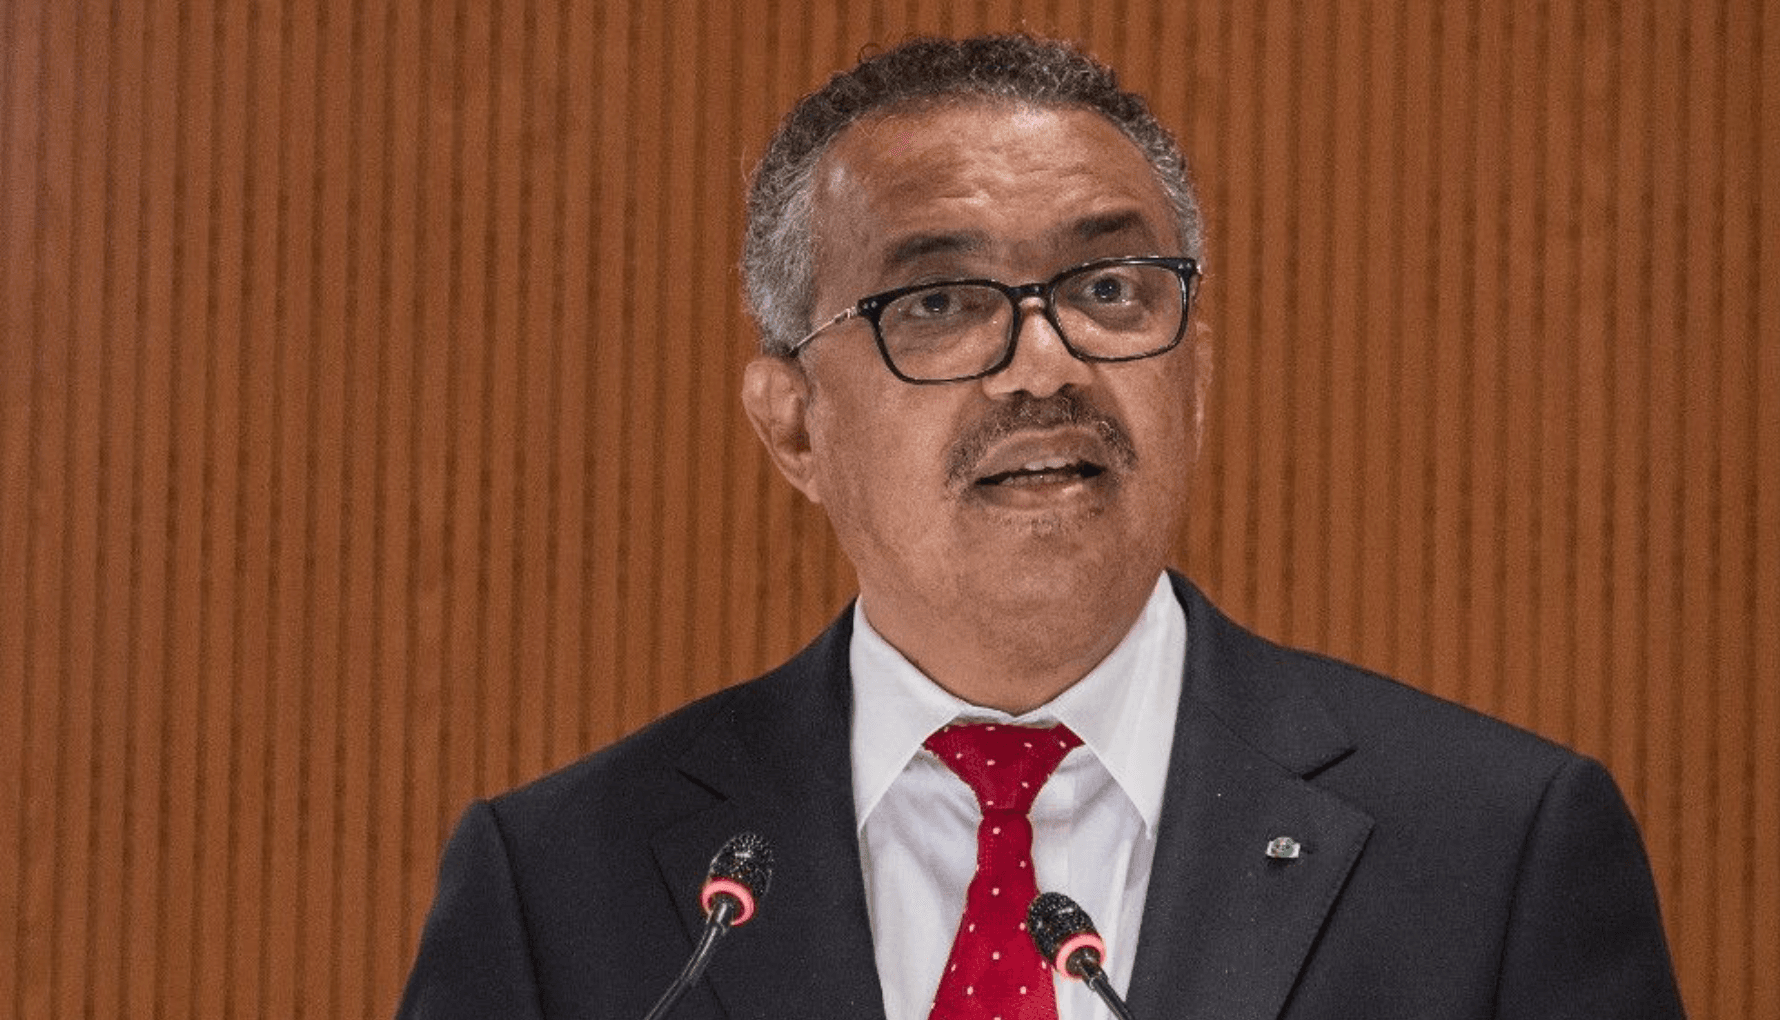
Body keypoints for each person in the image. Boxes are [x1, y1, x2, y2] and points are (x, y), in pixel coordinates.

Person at [397, 34, 1684, 1020]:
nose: (1044, 363)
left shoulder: (1493, 851)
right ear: (792, 425)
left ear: (1193, 379)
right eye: (938, 302)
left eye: (1109, 288)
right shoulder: (561, 892)